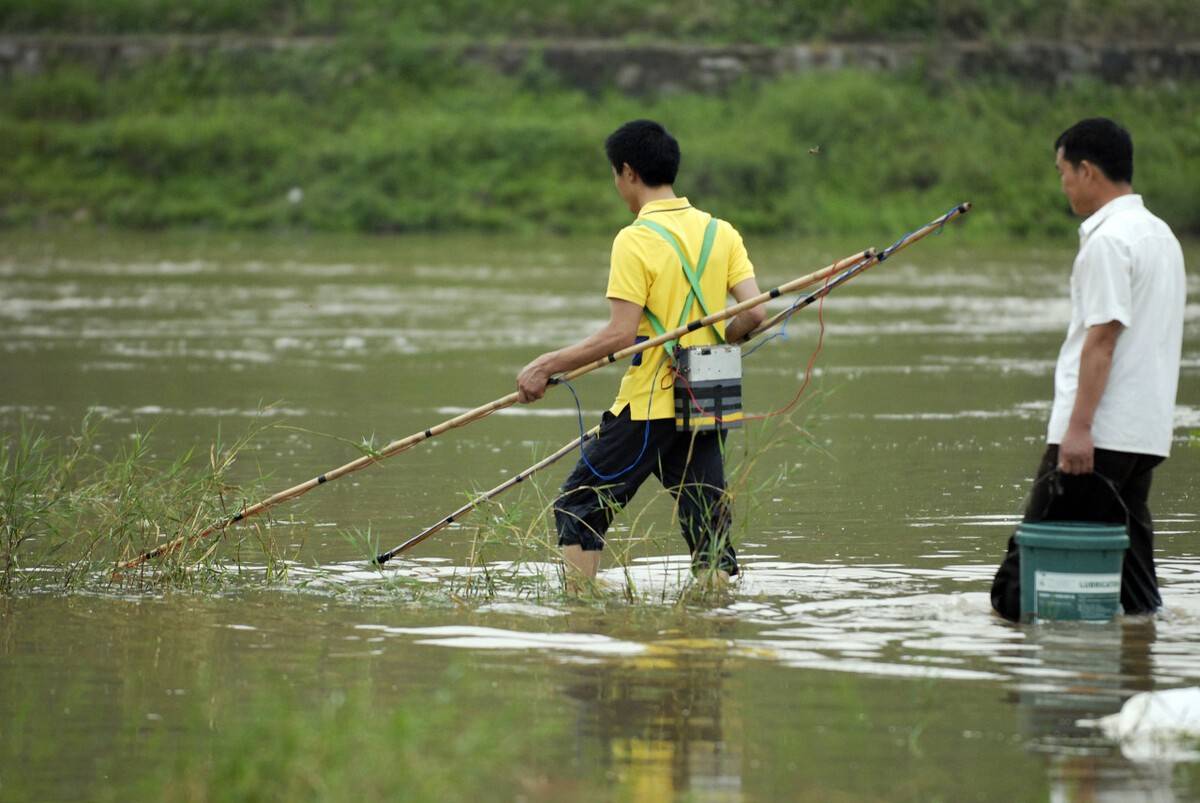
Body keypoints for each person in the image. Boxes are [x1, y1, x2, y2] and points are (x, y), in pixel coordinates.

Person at [516, 119, 766, 586]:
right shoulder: (721, 232)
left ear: (628, 172)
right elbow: (754, 315)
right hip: (709, 392)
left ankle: (582, 616)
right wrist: (713, 341)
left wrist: (546, 365)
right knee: (707, 524)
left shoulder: (634, 238)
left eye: (615, 174)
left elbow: (619, 335)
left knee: (580, 506)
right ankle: (716, 626)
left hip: (653, 398)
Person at [990, 117, 1186, 621]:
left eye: (1064, 172)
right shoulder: (1159, 235)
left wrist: (1077, 428)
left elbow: (1102, 339)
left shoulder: (1108, 241)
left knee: (1016, 589)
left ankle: (1043, 686)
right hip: (1143, 437)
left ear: (1088, 170)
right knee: (1136, 588)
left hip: (1095, 438)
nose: (1063, 184)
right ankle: (1139, 676)